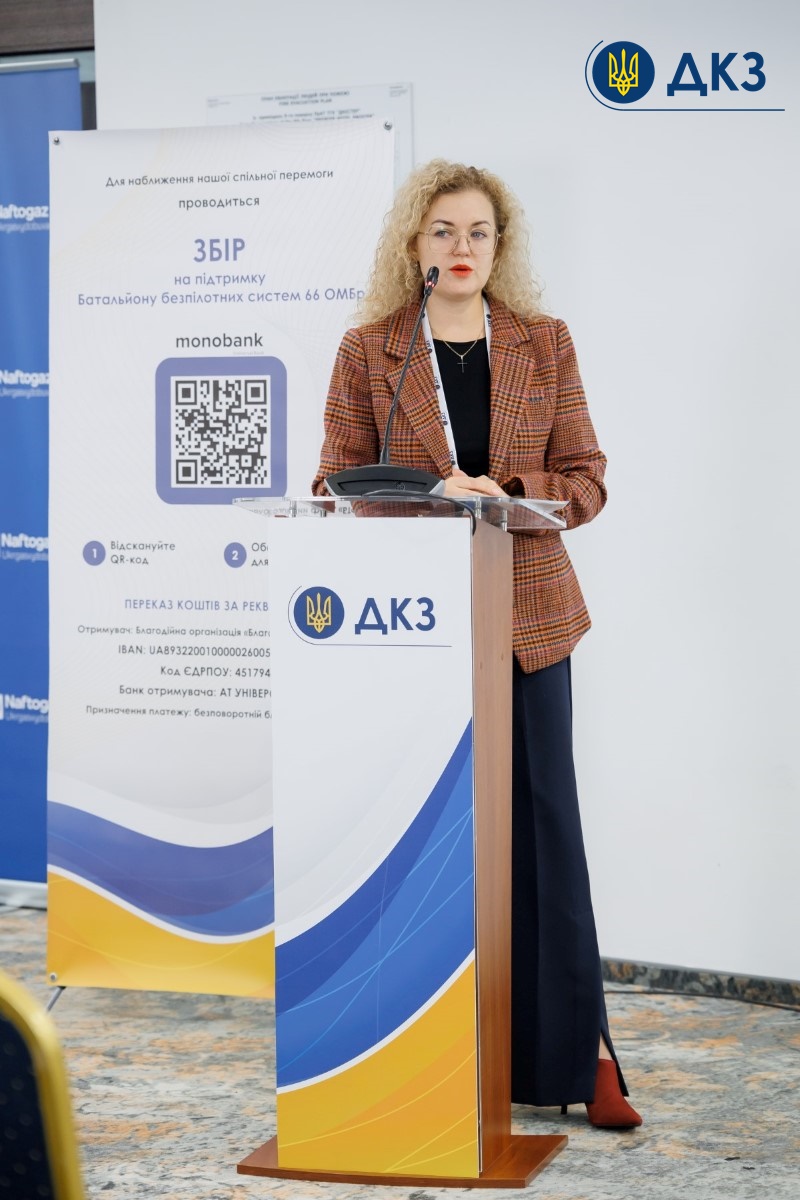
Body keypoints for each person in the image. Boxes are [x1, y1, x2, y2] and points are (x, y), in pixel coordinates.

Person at [311, 159, 642, 1129]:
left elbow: (585, 478)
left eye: (479, 233)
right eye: (443, 231)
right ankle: (436, 1049)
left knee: (544, 832)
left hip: (529, 619)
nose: (462, 248)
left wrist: (509, 492)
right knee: (431, 846)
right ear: (413, 245)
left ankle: (578, 1056)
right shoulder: (371, 349)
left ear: (501, 246)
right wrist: (428, 496)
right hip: (412, 628)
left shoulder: (544, 341)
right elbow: (333, 479)